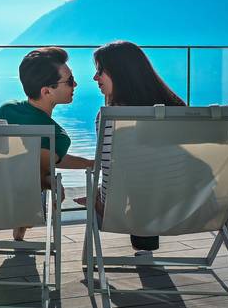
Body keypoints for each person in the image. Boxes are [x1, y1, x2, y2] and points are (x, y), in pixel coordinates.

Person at [76, 40, 186, 252]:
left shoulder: (112, 118)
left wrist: (99, 200)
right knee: (148, 178)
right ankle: (145, 246)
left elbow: (109, 174)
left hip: (133, 209)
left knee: (134, 184)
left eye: (100, 71)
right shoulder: (177, 112)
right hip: (189, 205)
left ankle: (141, 242)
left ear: (120, 73)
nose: (95, 78)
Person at [0, 46, 94, 241]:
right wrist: (53, 182)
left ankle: (19, 233)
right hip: (19, 201)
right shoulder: (57, 136)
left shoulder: (7, 110)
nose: (76, 85)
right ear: (47, 91)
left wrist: (87, 162)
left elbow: (6, 155)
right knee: (46, 177)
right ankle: (22, 223)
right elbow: (39, 171)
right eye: (70, 81)